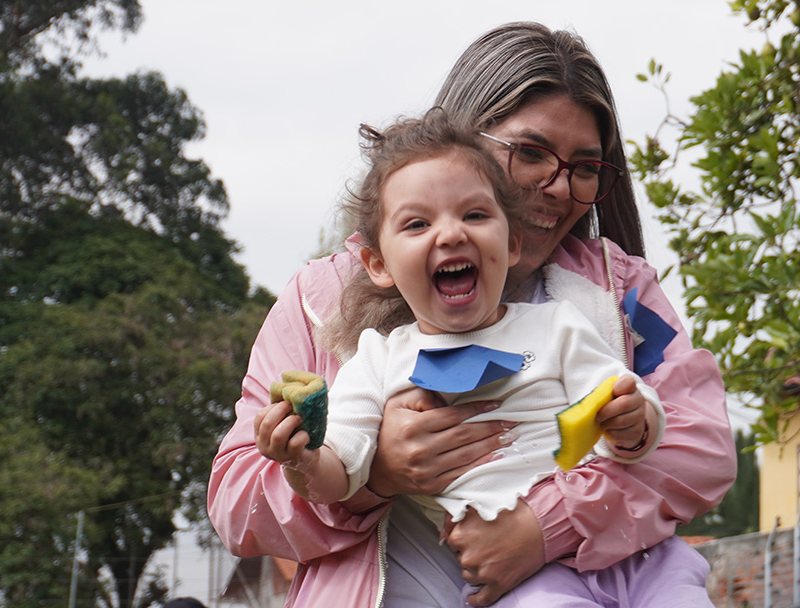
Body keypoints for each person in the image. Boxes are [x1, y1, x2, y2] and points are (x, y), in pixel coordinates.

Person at [208, 21, 736, 608]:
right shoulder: (321, 297)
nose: (559, 187)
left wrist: (545, 525)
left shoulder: (619, 292)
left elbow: (700, 444)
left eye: (585, 168)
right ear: (462, 137)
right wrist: (371, 476)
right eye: (530, 153)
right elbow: (235, 502)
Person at [271, 114, 703, 607]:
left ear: (512, 242)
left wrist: (634, 423)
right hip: (532, 581)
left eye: (475, 216)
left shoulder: (559, 324)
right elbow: (339, 471)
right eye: (418, 224)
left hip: (636, 554)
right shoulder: (378, 360)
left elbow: (619, 403)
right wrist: (300, 459)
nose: (451, 234)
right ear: (378, 265)